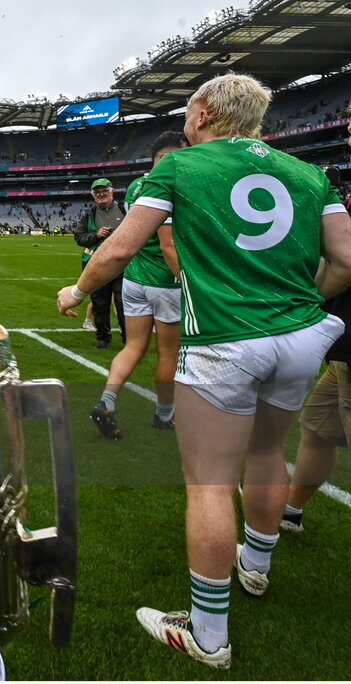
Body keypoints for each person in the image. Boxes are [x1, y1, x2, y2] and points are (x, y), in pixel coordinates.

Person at [56, 73, 351, 669]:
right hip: (299, 339)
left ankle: (209, 634)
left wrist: (76, 289)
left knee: (211, 483)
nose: (186, 118)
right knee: (269, 454)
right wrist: (306, 305)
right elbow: (345, 259)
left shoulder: (182, 166)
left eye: (190, 108)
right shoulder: (308, 173)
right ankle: (257, 568)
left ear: (207, 112)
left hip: (224, 341)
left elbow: (117, 248)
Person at [89, 132, 188, 439]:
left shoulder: (136, 185)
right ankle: (163, 415)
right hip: (165, 282)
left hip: (133, 279)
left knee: (133, 346)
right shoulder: (172, 183)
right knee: (168, 352)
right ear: (173, 155)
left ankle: (107, 400)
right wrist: (190, 283)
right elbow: (169, 245)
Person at [283, 114, 351, 533]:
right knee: (318, 429)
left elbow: (345, 261)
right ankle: (289, 510)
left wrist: (305, 302)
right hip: (344, 338)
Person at [72, 178, 126, 348]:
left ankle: (128, 339)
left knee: (124, 303)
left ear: (112, 192)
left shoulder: (125, 209)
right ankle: (103, 338)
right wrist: (96, 235)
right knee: (99, 303)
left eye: (105, 190)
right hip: (97, 264)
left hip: (123, 264)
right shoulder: (89, 213)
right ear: (93, 195)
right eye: (97, 192)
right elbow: (79, 237)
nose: (101, 194)